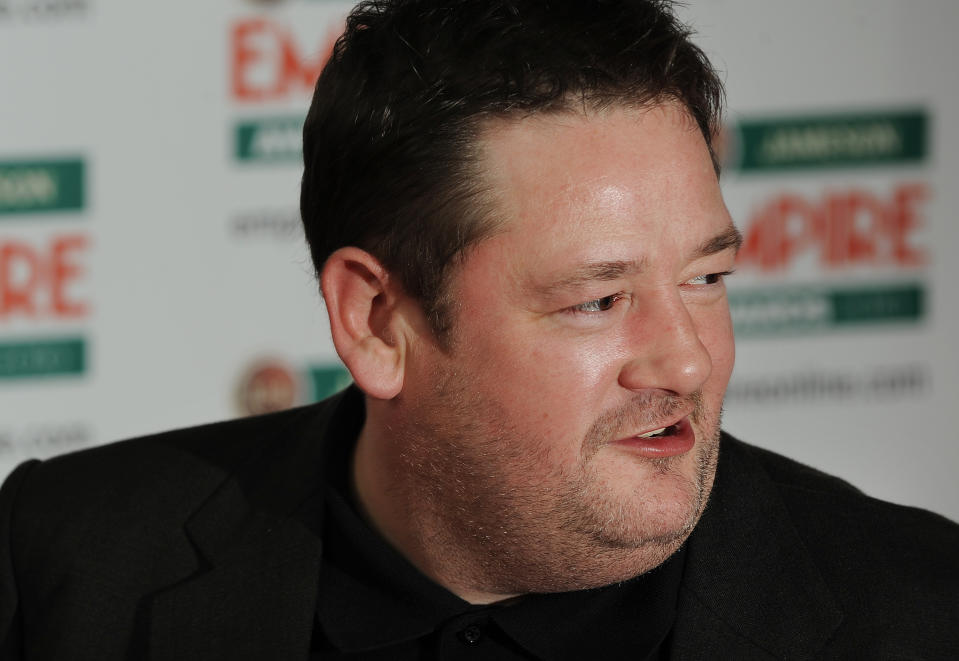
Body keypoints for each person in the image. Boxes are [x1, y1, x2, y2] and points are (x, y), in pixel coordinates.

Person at [1, 0, 957, 659]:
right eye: (599, 298)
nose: (688, 356)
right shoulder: (65, 568)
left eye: (706, 277)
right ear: (377, 322)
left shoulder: (918, 609)